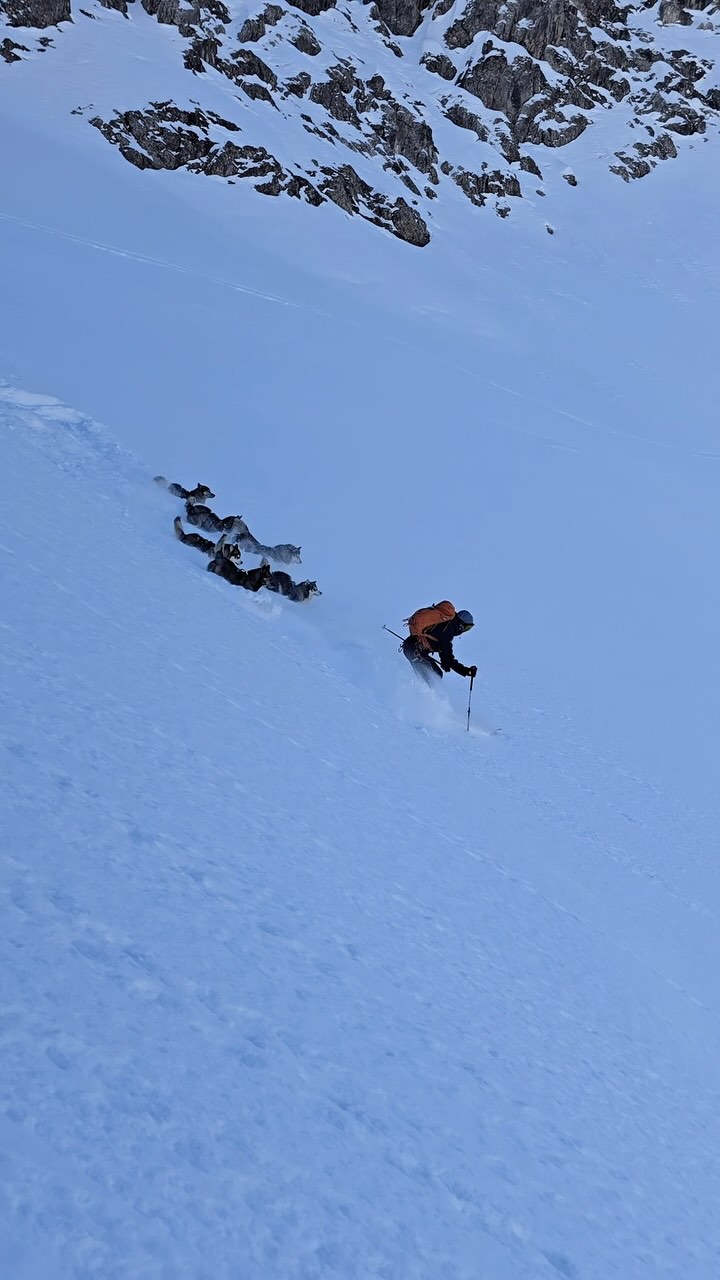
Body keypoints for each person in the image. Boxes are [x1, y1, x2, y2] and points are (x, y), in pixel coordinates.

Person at [402, 601, 477, 686]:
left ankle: (419, 694)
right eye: (467, 628)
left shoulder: (445, 625)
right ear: (462, 625)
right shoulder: (447, 630)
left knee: (430, 676)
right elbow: (448, 658)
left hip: (413, 648)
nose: (464, 631)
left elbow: (444, 653)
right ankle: (426, 697)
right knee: (436, 676)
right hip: (415, 651)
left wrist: (445, 662)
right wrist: (467, 671)